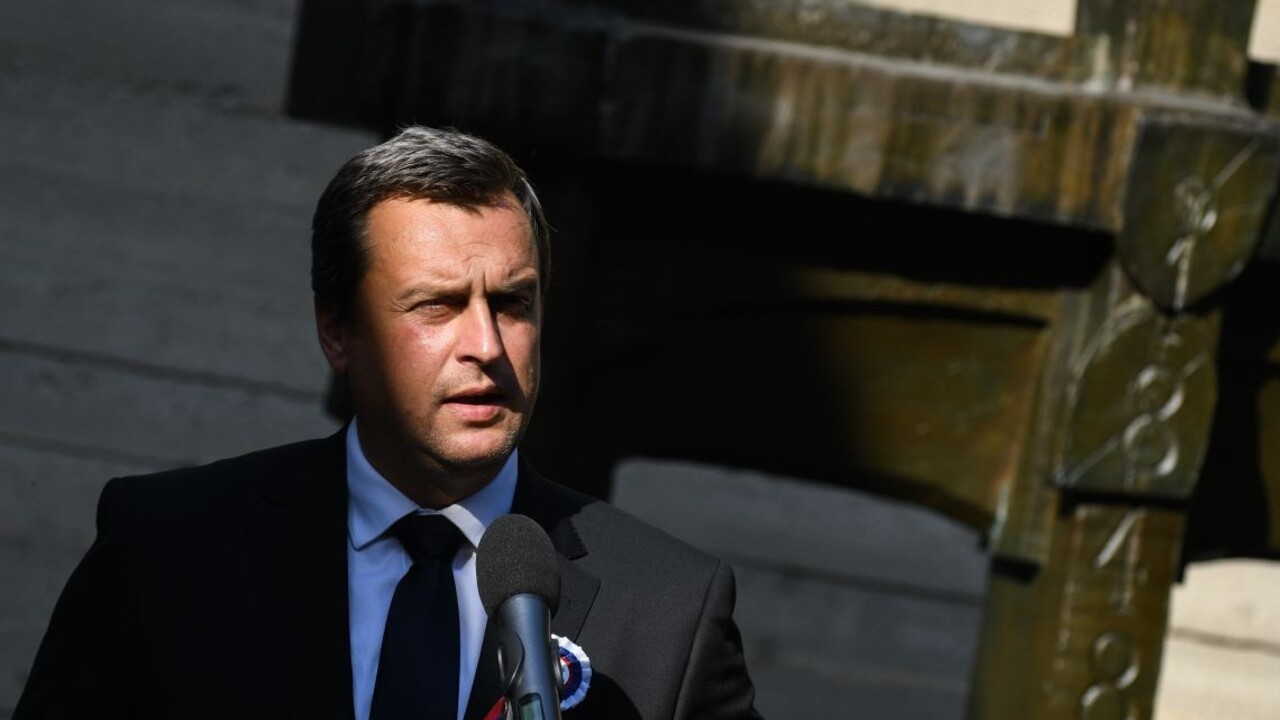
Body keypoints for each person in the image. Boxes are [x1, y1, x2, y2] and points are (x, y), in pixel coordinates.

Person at [14, 126, 761, 720]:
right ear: (337, 332)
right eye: (437, 305)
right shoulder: (171, 549)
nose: (486, 346)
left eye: (512, 304)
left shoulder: (670, 610)